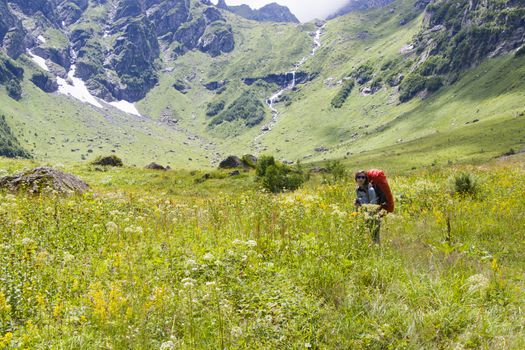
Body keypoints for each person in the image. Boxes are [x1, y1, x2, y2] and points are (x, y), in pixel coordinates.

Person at [354, 171, 382, 244]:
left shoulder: (370, 190)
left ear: (365, 179)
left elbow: (373, 205)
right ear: (356, 179)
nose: (360, 179)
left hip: (373, 216)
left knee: (375, 237)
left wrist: (362, 204)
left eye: (363, 177)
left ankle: (378, 253)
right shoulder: (357, 189)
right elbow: (360, 202)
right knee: (361, 235)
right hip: (363, 216)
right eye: (358, 177)